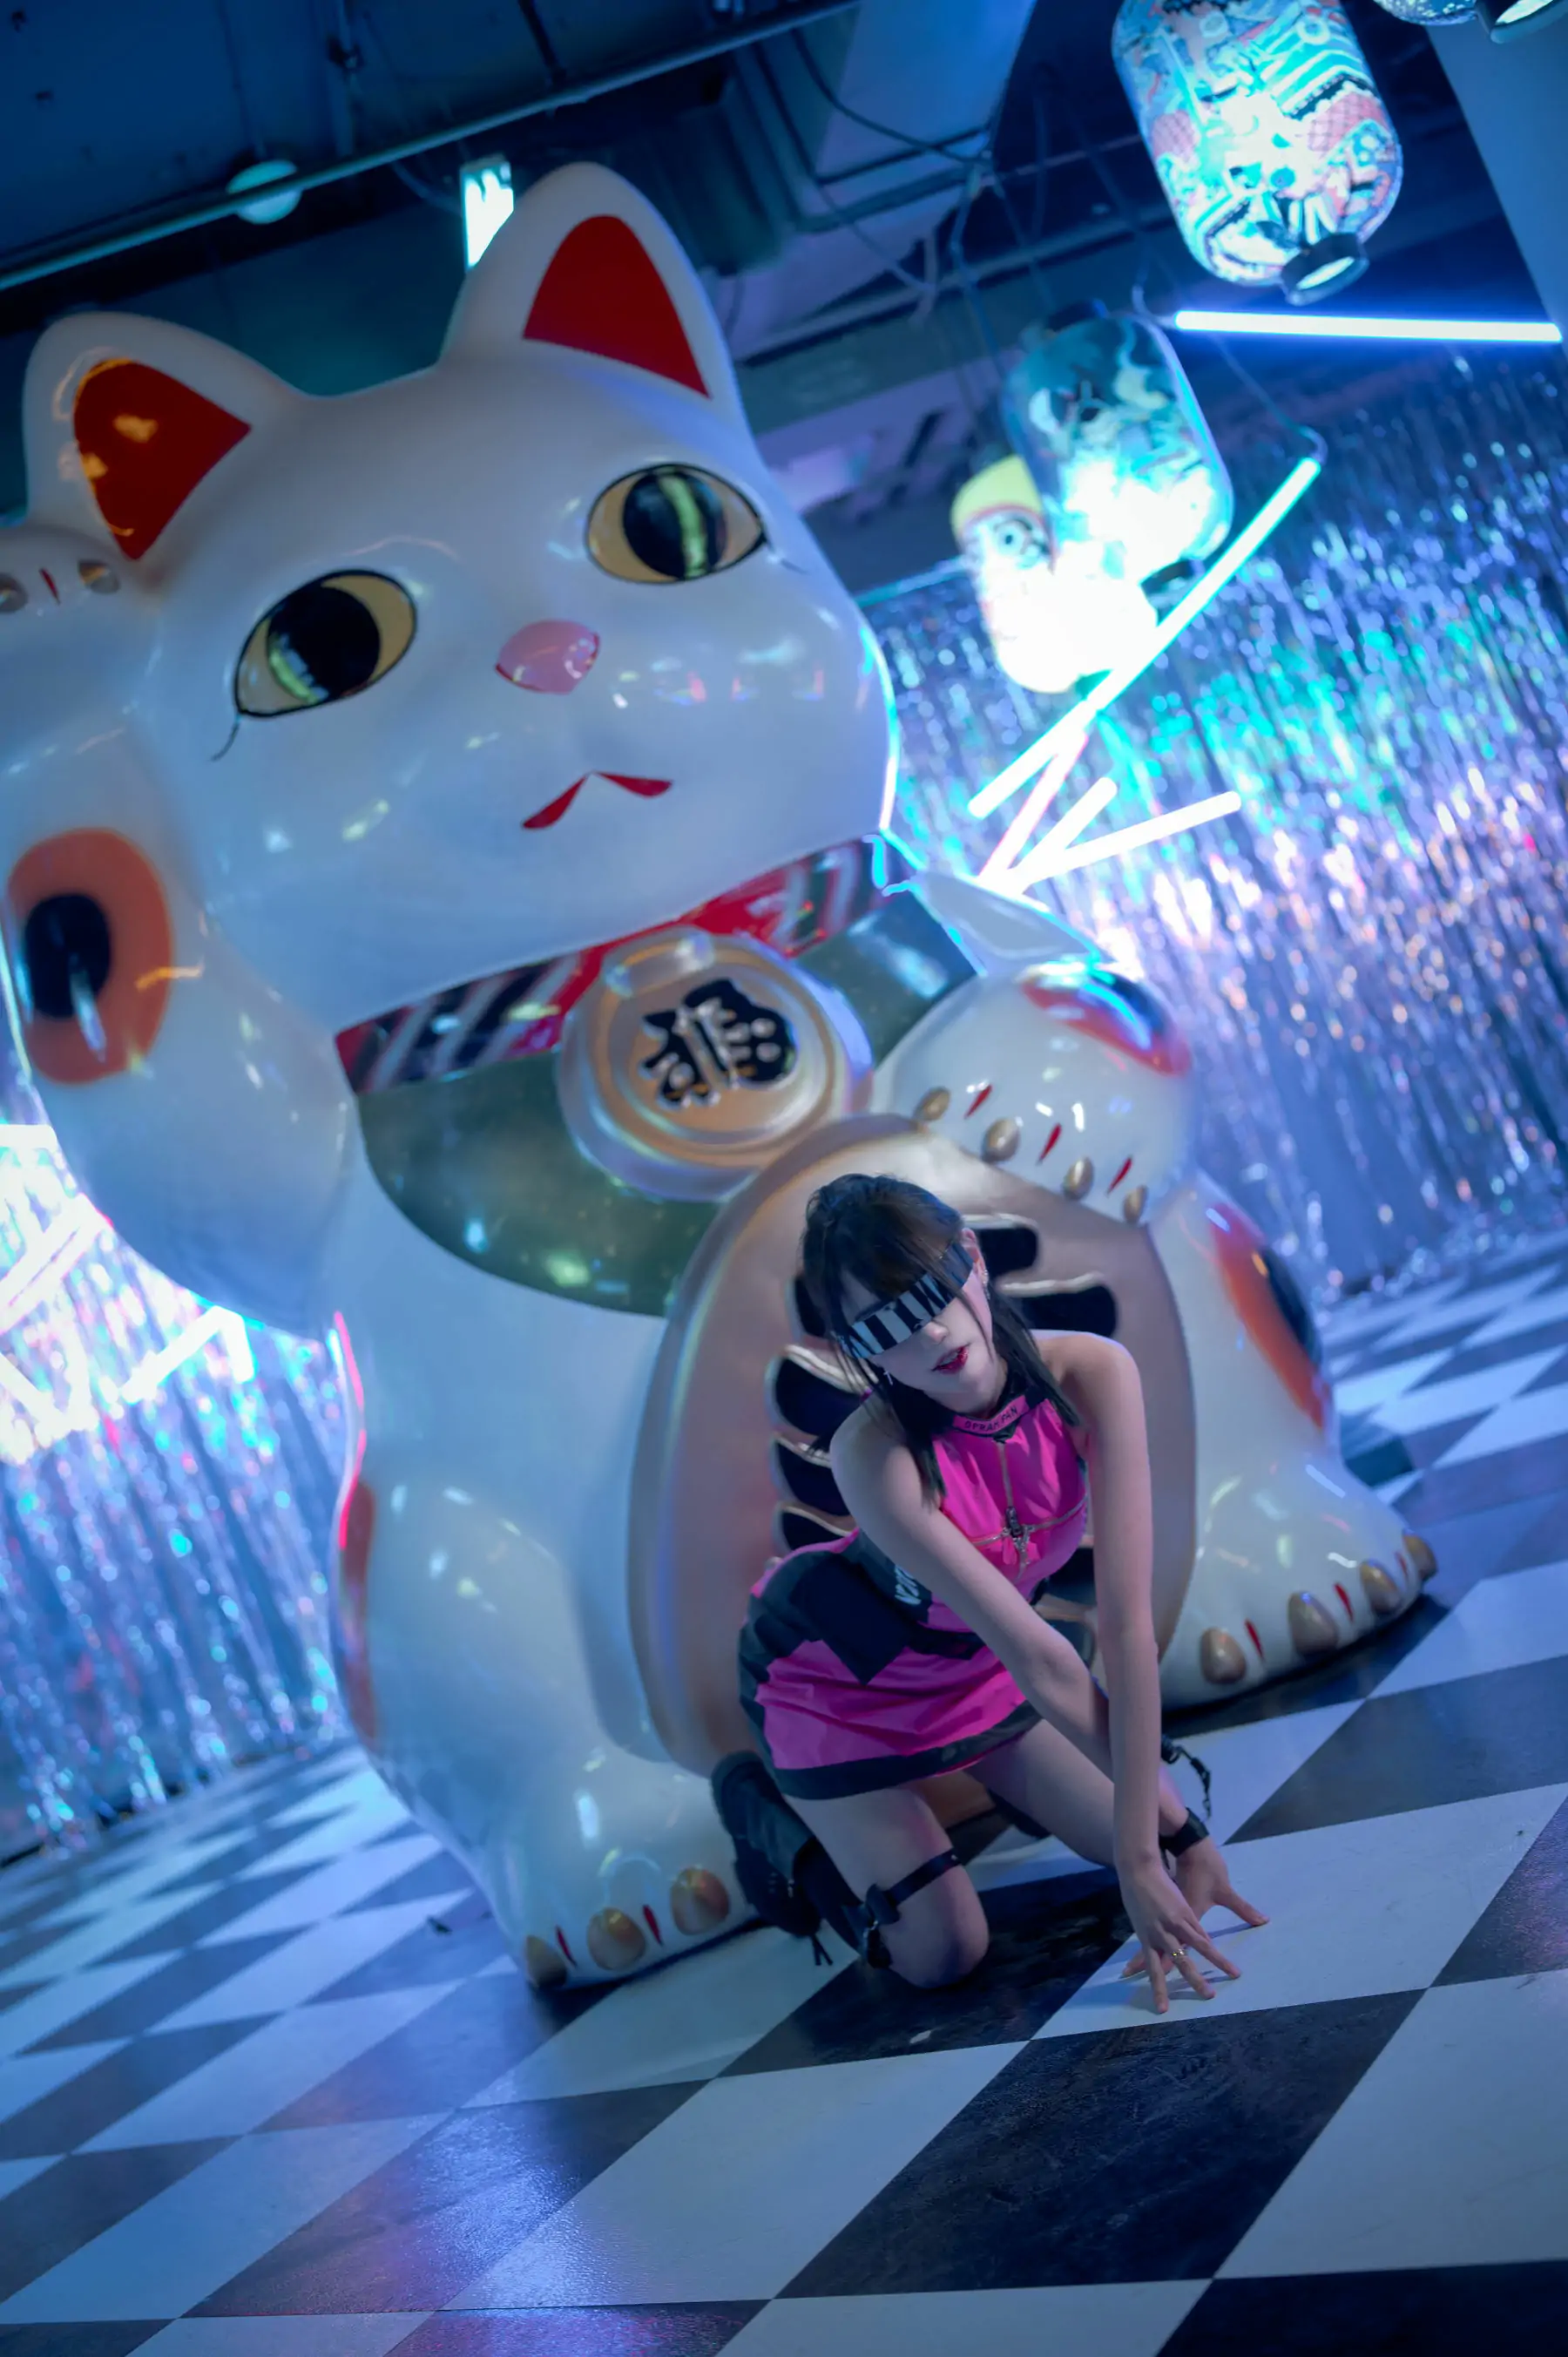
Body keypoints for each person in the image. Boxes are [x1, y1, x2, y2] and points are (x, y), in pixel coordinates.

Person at [714, 1172, 1266, 2011]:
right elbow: (1043, 1659)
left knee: (1140, 1828)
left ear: (970, 1255)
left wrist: (1176, 1837)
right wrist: (1145, 1856)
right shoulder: (875, 1453)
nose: (930, 1331)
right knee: (945, 1951)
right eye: (886, 1325)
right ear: (858, 1346)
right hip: (833, 1681)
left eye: (930, 1290)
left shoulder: (1092, 1373)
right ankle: (768, 1812)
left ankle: (1001, 1783)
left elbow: (1125, 1627)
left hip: (976, 1664)